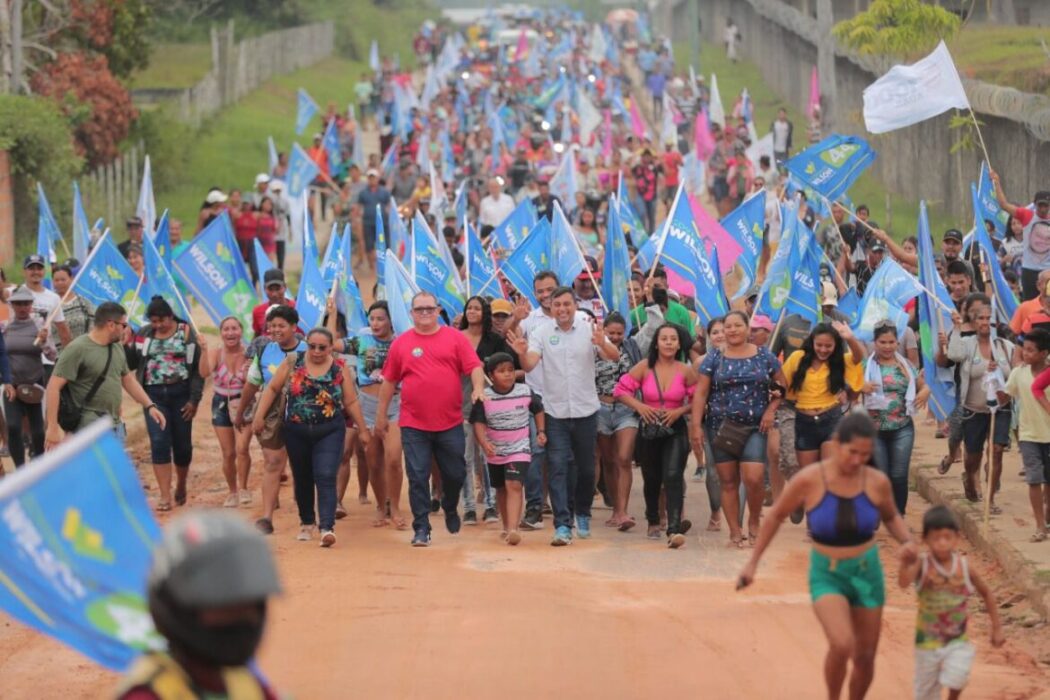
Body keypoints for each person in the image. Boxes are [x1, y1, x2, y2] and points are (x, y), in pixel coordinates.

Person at [737, 413, 919, 700]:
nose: (858, 459)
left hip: (866, 572)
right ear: (836, 444)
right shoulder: (810, 479)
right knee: (842, 643)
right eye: (852, 452)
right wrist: (752, 563)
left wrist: (907, 540)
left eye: (865, 454)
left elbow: (891, 516)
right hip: (827, 574)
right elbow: (776, 517)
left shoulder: (876, 481)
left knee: (866, 656)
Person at [116, 511, 281, 700]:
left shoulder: (244, 684)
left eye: (247, 606)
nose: (239, 618)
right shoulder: (148, 695)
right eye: (222, 607)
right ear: (176, 607)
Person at [507, 286, 620, 546]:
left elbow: (613, 357)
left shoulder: (589, 326)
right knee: (557, 466)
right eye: (557, 305)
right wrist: (522, 352)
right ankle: (562, 525)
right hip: (555, 411)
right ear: (551, 307)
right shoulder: (542, 332)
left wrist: (602, 342)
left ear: (574, 305)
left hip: (585, 410)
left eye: (567, 304)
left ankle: (582, 512)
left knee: (585, 469)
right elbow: (529, 364)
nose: (562, 309)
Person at [374, 292, 486, 547]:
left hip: (450, 422)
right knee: (417, 475)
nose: (424, 313)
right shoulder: (401, 344)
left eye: (429, 308)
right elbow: (389, 381)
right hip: (414, 423)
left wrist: (478, 388)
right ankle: (421, 527)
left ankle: (449, 504)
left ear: (437, 311)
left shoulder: (455, 338)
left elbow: (475, 367)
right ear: (411, 313)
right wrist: (381, 416)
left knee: (456, 472)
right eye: (419, 309)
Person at [252, 328, 369, 548]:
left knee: (325, 475)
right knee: (303, 476)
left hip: (330, 430)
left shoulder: (339, 368)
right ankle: (307, 522)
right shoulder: (292, 362)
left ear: (330, 347)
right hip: (296, 430)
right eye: (312, 346)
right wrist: (259, 416)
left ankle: (327, 527)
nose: (316, 351)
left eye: (322, 347)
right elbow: (273, 388)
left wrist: (362, 430)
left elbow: (351, 402)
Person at [691, 310, 785, 547]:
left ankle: (754, 521)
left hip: (756, 426)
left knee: (754, 478)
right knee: (728, 481)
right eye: (727, 327)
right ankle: (734, 531)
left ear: (747, 328)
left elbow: (783, 385)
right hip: (720, 427)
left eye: (737, 326)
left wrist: (771, 409)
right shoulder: (714, 359)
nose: (732, 330)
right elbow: (700, 393)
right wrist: (696, 426)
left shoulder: (765, 356)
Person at [898, 506, 1004, 700]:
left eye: (947, 537)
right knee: (926, 692)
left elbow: (987, 593)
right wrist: (905, 564)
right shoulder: (922, 564)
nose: (942, 543)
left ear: (957, 537)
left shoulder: (964, 567)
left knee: (959, 675)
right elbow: (904, 583)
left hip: (957, 640)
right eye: (936, 538)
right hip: (927, 643)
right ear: (925, 539)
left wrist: (996, 628)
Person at [615, 324, 699, 548]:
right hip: (649, 428)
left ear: (679, 344)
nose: (669, 342)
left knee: (672, 475)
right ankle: (653, 520)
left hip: (675, 428)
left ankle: (673, 529)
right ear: (657, 343)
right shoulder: (643, 367)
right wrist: (640, 407)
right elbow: (620, 391)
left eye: (673, 339)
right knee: (652, 478)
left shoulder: (685, 370)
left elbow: (698, 400)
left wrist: (679, 411)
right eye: (664, 339)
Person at [125, 296, 207, 512]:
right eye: (154, 321)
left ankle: (180, 484)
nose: (159, 325)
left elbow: (198, 370)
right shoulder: (143, 334)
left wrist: (194, 399)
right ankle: (164, 495)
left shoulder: (186, 333)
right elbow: (131, 364)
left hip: (181, 395)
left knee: (182, 446)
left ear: (171, 316)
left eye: (162, 320)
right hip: (153, 396)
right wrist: (126, 345)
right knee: (159, 443)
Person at [45, 302, 166, 447]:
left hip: (115, 423)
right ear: (111, 325)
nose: (126, 330)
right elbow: (53, 387)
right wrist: (52, 428)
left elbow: (127, 379)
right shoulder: (77, 349)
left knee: (115, 469)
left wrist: (150, 406)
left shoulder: (117, 347)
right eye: (124, 325)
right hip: (88, 427)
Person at [234, 305, 307, 535]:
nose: (275, 330)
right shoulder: (265, 351)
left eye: (281, 325)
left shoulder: (309, 349)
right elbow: (253, 383)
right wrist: (243, 411)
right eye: (272, 325)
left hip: (303, 412)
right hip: (272, 415)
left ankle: (306, 515)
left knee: (301, 465)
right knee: (273, 463)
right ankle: (266, 517)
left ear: (294, 327)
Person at [339, 301, 406, 528]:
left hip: (396, 405)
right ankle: (381, 506)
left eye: (381, 318)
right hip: (366, 406)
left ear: (391, 320)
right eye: (372, 318)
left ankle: (395, 508)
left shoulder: (402, 342)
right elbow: (328, 343)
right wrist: (330, 314)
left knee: (394, 458)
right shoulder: (361, 340)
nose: (375, 323)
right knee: (373, 461)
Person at [470, 352, 545, 546]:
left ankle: (513, 529)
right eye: (501, 371)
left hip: (519, 448)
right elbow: (478, 423)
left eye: (511, 370)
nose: (508, 374)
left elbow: (538, 409)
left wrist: (541, 431)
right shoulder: (484, 397)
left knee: (514, 484)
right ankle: (506, 525)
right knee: (501, 488)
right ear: (491, 375)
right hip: (495, 451)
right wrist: (484, 443)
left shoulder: (525, 391)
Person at [946, 306, 1014, 507]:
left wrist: (999, 372)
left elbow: (1014, 373)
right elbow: (953, 355)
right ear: (974, 323)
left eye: (988, 319)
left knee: (997, 450)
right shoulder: (967, 344)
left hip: (1000, 409)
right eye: (981, 318)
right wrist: (956, 328)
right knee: (973, 456)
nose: (985, 322)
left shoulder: (1004, 346)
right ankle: (969, 476)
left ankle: (990, 499)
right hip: (974, 410)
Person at [861, 322, 929, 515]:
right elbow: (850, 389)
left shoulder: (905, 365)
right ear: (875, 343)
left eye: (891, 342)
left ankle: (898, 516)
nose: (887, 346)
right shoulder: (866, 367)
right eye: (883, 342)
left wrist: (925, 392)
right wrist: (860, 386)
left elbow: (923, 385)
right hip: (874, 429)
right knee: (879, 475)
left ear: (897, 343)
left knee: (899, 476)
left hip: (902, 428)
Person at [781, 322, 866, 475]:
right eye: (819, 345)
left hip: (831, 420)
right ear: (812, 342)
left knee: (830, 474)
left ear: (835, 346)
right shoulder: (797, 357)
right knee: (809, 476)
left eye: (828, 346)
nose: (823, 349)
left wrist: (850, 338)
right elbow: (781, 383)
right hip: (804, 423)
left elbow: (858, 357)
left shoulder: (840, 361)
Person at [457, 296, 513, 525]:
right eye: (469, 308)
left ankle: (491, 505)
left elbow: (507, 366)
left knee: (487, 455)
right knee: (465, 458)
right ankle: (469, 507)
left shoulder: (495, 340)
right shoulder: (455, 338)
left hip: (489, 405)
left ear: (485, 312)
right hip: (460, 404)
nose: (472, 312)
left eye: (476, 308)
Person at [595, 312, 642, 530]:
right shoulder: (592, 351)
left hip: (626, 409)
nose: (614, 337)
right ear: (603, 331)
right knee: (609, 461)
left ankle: (623, 512)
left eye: (619, 333)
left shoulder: (630, 350)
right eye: (610, 333)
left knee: (623, 458)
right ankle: (615, 509)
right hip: (600, 409)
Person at [1004, 328, 1050, 542]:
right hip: (1028, 435)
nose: (1026, 354)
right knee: (1034, 479)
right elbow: (1006, 396)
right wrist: (993, 386)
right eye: (1025, 349)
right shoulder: (1018, 373)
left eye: (1031, 351)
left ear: (1044, 353)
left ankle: (1047, 518)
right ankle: (1040, 525)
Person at [2, 286, 49, 467]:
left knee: (37, 432)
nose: (22, 307)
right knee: (13, 427)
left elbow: (52, 355)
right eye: (18, 304)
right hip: (11, 385)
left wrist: (44, 342)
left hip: (34, 384)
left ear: (31, 305)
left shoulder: (40, 328)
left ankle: (38, 465)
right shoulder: (5, 329)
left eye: (25, 303)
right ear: (12, 305)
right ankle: (21, 468)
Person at [208, 316, 252, 508]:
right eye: (226, 329)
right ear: (221, 333)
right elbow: (203, 373)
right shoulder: (215, 353)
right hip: (221, 404)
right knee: (228, 453)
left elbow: (257, 383)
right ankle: (232, 491)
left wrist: (250, 375)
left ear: (241, 331)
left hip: (245, 402)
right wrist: (202, 351)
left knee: (242, 448)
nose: (230, 332)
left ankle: (243, 488)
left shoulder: (250, 354)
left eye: (234, 328)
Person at [990, 170, 1050, 300]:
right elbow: (1004, 205)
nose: (1043, 209)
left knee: (1048, 304)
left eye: (1046, 205)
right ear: (1034, 204)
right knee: (1030, 304)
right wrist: (997, 183)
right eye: (1040, 205)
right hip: (1029, 271)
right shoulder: (1027, 215)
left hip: (1048, 272)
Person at [50, 265, 94, 351]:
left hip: (83, 352)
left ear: (71, 279)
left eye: (63, 280)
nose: (60, 283)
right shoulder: (50, 303)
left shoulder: (83, 302)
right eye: (56, 280)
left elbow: (93, 326)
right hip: (58, 355)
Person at [357, 169, 392, 272]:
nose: (372, 180)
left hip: (382, 222)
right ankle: (372, 266)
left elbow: (389, 205)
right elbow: (359, 206)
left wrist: (387, 214)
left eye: (374, 178)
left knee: (384, 243)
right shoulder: (363, 193)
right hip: (368, 222)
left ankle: (385, 265)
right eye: (370, 178)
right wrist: (358, 218)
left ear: (377, 179)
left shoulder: (384, 192)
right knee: (369, 244)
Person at [251, 269, 295, 338]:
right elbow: (256, 337)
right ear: (264, 289)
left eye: (278, 289)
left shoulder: (296, 307)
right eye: (270, 289)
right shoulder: (257, 311)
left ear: (285, 287)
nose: (274, 294)